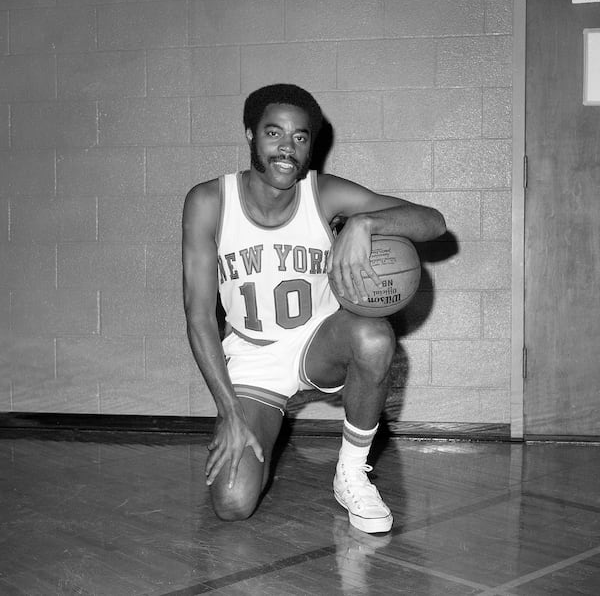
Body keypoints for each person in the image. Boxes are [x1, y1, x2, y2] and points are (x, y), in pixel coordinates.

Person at [182, 84, 446, 534]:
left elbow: (433, 222)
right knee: (231, 501)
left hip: (319, 342)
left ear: (312, 145)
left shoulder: (323, 195)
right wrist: (228, 412)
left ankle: (351, 472)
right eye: (274, 133)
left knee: (373, 335)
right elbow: (200, 317)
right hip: (253, 360)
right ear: (250, 135)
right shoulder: (209, 202)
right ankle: (260, 425)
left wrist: (365, 222)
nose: (287, 147)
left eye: (300, 137)